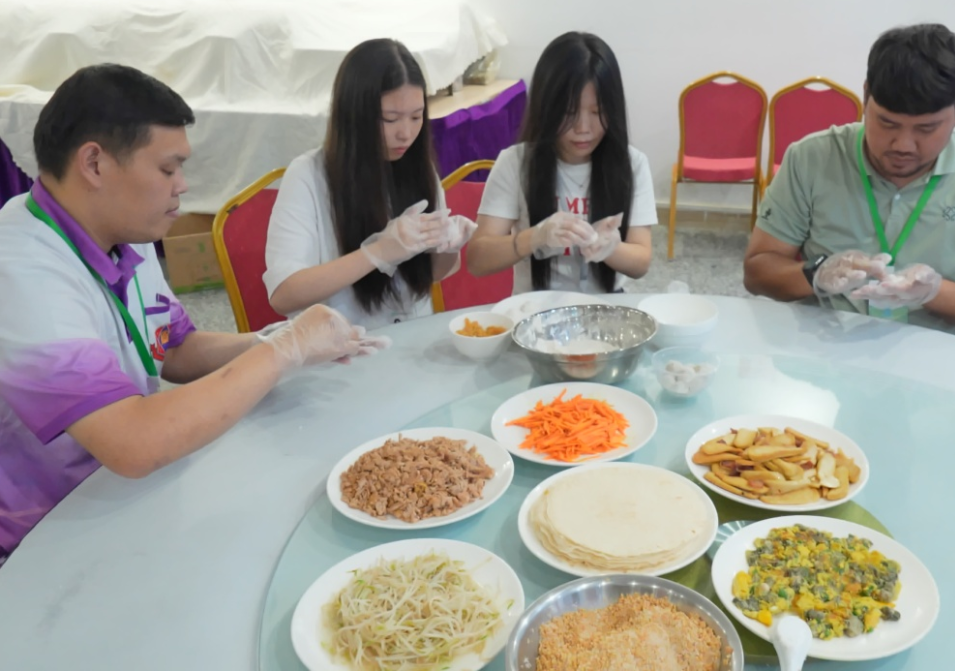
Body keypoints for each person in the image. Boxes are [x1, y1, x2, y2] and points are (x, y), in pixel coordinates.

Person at [0, 64, 385, 563]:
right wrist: (282, 352)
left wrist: (277, 339)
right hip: (42, 540)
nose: (182, 185)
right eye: (168, 169)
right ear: (94, 164)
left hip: (123, 501)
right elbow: (132, 442)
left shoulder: (123, 233)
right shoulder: (22, 269)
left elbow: (175, 348)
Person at [744, 23, 955, 336]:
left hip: (935, 351)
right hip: (824, 345)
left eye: (926, 128)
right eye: (887, 123)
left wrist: (933, 292)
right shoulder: (811, 158)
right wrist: (816, 274)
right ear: (866, 96)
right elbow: (757, 273)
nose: (903, 145)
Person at [264, 39, 472, 327]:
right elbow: (284, 294)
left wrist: (448, 245)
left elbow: (432, 274)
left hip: (411, 337)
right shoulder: (308, 176)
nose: (406, 133)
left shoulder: (419, 169)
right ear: (354, 114)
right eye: (390, 119)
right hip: (340, 344)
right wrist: (377, 253)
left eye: (416, 116)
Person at [467, 31, 656, 294]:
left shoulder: (632, 164)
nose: (583, 128)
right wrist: (536, 236)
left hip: (606, 309)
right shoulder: (515, 163)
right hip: (535, 309)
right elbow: (477, 260)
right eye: (569, 112)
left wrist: (611, 249)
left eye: (597, 112)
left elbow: (641, 262)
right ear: (546, 108)